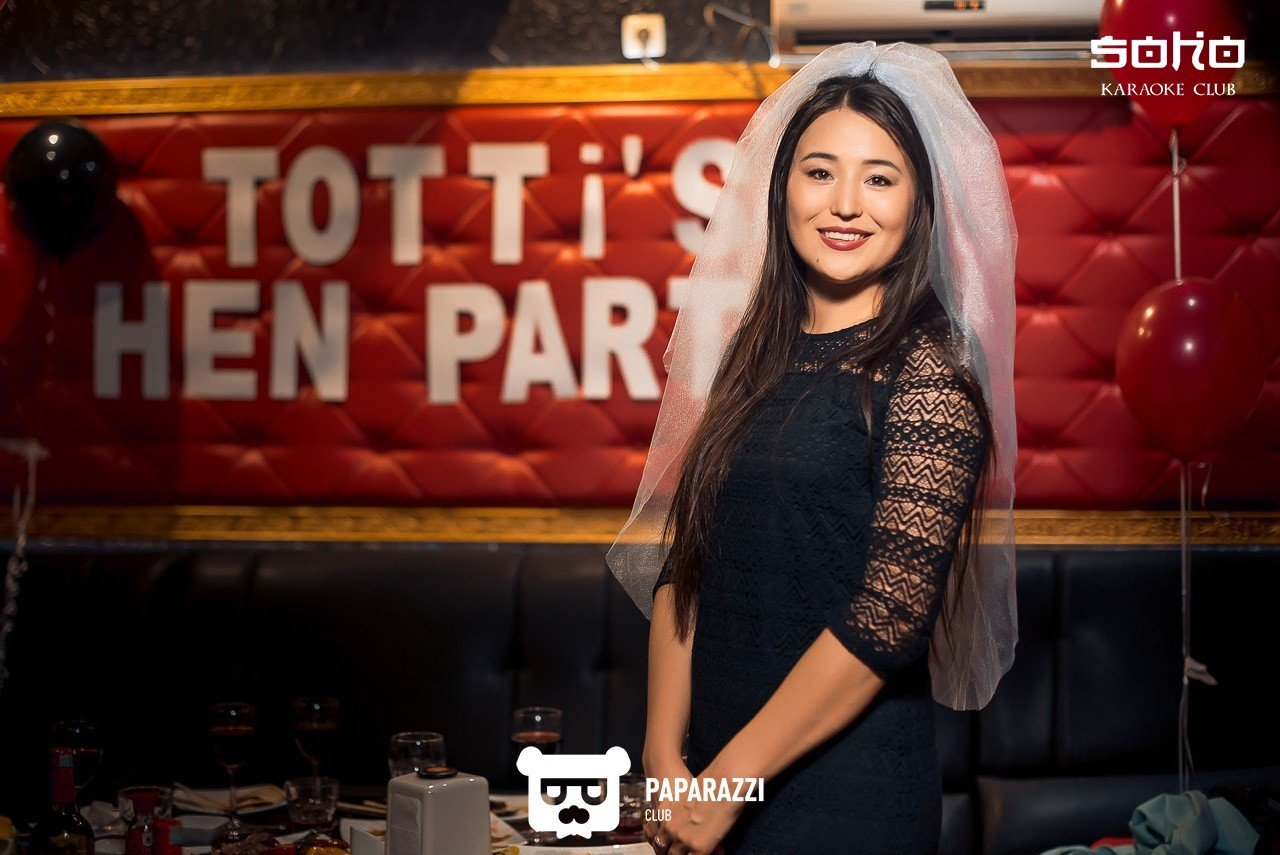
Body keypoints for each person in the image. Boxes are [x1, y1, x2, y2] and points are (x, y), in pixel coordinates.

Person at [606, 42, 1019, 855]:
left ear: (918, 202)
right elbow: (687, 563)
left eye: (880, 178)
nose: (846, 204)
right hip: (702, 789)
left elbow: (889, 615)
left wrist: (727, 785)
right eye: (820, 172)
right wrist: (663, 761)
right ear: (782, 187)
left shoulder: (930, 370)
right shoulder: (750, 356)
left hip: (843, 805)